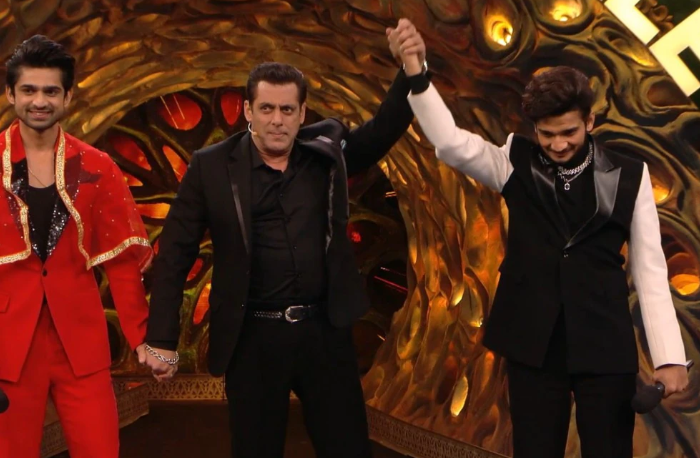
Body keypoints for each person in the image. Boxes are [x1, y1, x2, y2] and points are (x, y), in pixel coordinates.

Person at [391, 19, 690, 458]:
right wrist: (416, 74)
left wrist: (669, 357)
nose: (558, 144)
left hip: (603, 343)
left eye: (569, 132)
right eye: (547, 135)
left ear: (590, 121)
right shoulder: (514, 161)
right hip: (532, 342)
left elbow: (650, 270)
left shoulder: (631, 175)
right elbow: (451, 144)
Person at [142, 29, 428, 458]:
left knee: (348, 448)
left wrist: (411, 69)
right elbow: (175, 255)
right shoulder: (211, 167)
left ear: (302, 113)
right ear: (248, 110)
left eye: (287, 109)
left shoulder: (325, 152)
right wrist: (162, 339)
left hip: (324, 331)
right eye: (267, 108)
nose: (277, 119)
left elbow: (382, 130)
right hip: (253, 335)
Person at [0, 35, 156, 458]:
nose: (39, 101)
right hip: (8, 346)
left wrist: (143, 338)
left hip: (80, 341)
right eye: (29, 90)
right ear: (11, 94)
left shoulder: (98, 166)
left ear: (67, 97)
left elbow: (121, 261)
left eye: (50, 91)